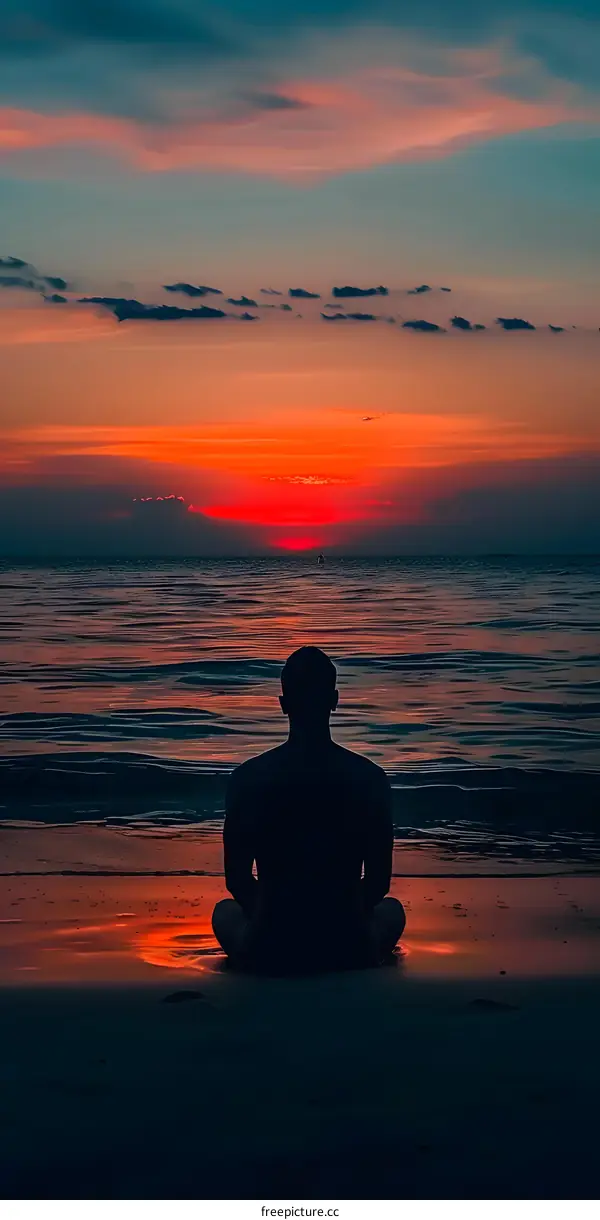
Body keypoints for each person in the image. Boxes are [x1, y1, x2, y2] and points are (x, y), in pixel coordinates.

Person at [212, 646, 405, 974]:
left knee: (224, 912)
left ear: (283, 705)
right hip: (349, 946)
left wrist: (278, 917)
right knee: (392, 910)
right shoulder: (369, 778)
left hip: (268, 946)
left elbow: (238, 881)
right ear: (335, 700)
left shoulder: (248, 778)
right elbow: (377, 884)